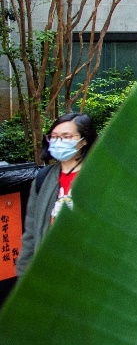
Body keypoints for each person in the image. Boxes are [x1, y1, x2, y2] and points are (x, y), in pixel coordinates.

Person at [16, 113, 97, 276]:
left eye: (66, 137)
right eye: (54, 136)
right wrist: (23, 273)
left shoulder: (98, 176)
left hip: (87, 271)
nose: (58, 141)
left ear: (84, 140)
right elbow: (31, 232)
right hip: (49, 270)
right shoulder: (43, 178)